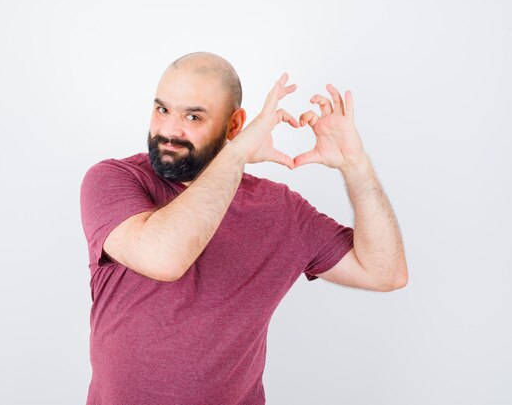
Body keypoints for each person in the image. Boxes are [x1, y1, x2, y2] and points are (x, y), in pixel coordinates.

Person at [79, 51, 408, 405]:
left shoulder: (281, 211)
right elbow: (164, 258)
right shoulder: (115, 180)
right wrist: (236, 154)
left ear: (234, 126)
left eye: (192, 116)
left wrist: (355, 165)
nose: (170, 130)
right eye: (162, 110)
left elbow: (385, 272)